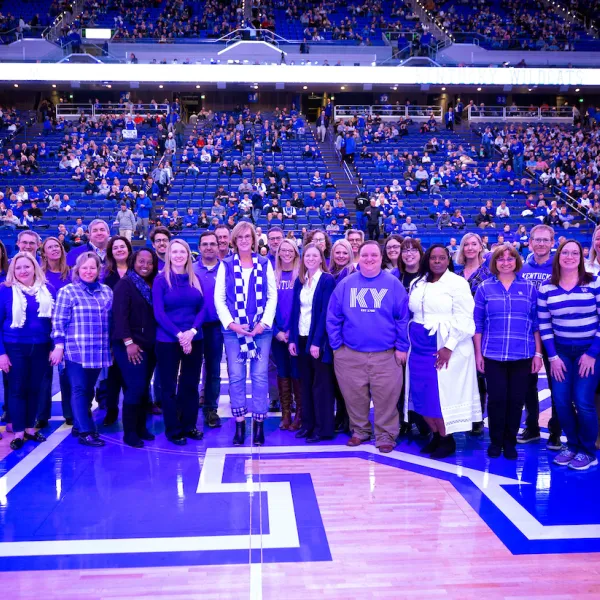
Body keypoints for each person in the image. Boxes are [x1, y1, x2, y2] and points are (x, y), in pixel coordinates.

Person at [327, 241, 409, 453]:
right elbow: (333, 316)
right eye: (365, 255)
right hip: (350, 354)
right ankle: (360, 431)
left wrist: (401, 347)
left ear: (381, 258)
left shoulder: (392, 284)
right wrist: (337, 347)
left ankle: (386, 434)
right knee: (354, 397)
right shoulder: (346, 284)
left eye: (374, 255)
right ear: (358, 256)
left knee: (387, 398)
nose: (369, 259)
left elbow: (402, 318)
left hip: (386, 355)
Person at [407, 245, 481, 459]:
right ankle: (436, 435)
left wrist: (449, 346)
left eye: (442, 258)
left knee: (440, 396)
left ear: (448, 260)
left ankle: (446, 439)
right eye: (433, 258)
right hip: (419, 347)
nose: (437, 261)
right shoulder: (417, 283)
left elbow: (466, 318)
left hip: (443, 345)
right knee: (421, 394)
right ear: (427, 260)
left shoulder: (457, 283)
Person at [474, 245, 542, 459]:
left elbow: (536, 325)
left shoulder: (530, 288)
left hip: (522, 355)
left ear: (516, 261)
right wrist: (478, 354)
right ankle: (495, 441)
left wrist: (538, 354)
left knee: (516, 400)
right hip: (493, 355)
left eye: (510, 258)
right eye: (500, 259)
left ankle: (509, 441)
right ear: (494, 262)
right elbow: (478, 324)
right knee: (496, 400)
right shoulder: (484, 288)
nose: (505, 262)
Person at [538, 240, 600, 471]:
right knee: (562, 401)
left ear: (581, 258)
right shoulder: (546, 288)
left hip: (590, 352)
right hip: (561, 352)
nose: (570, 256)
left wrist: (593, 353)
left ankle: (587, 451)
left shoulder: (594, 283)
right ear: (559, 256)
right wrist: (552, 357)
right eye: (566, 252)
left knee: (583, 401)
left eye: (575, 253)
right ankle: (571, 445)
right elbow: (544, 325)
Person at [215, 222, 277, 446]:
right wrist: (232, 324)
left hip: (261, 331)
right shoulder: (226, 265)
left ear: (253, 239)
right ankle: (240, 423)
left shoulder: (264, 263)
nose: (243, 240)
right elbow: (219, 299)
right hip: (234, 332)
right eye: (239, 237)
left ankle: (259, 424)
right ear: (234, 240)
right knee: (237, 377)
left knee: (260, 377)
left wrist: (264, 323)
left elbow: (272, 296)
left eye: (247, 236)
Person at [51, 252, 113, 447]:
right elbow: (59, 322)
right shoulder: (68, 292)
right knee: (78, 389)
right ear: (78, 270)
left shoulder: (107, 292)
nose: (88, 271)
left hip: (98, 350)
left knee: (88, 390)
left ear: (98, 270)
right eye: (84, 268)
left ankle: (79, 424)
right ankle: (86, 431)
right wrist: (59, 346)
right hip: (75, 349)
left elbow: (110, 321)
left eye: (92, 268)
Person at [153, 239, 205, 445]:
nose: (178, 255)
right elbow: (159, 312)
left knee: (190, 384)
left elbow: (202, 308)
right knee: (169, 386)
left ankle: (189, 425)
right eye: (174, 251)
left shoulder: (195, 278)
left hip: (194, 338)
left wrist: (191, 332)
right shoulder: (160, 280)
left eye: (182, 251)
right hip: (168, 340)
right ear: (168, 255)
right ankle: (173, 429)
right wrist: (179, 335)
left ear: (188, 254)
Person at [0, 253, 54, 450]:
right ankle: (19, 431)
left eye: (27, 267)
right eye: (18, 267)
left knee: (34, 388)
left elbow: (54, 322)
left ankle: (31, 428)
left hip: (41, 346)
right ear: (13, 270)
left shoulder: (48, 289)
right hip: (14, 347)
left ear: (34, 268)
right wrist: (1, 353)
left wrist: (55, 346)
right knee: (17, 389)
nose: (23, 271)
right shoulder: (5, 290)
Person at [520, 224, 562, 449]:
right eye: (537, 240)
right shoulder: (522, 268)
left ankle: (556, 430)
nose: (541, 244)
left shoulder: (559, 267)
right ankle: (532, 427)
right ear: (530, 242)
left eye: (546, 240)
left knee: (557, 383)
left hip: (554, 333)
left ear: (552, 243)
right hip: (528, 333)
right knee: (528, 383)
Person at [289, 243, 336, 443]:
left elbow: (326, 312)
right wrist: (292, 339)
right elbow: (295, 311)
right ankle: (308, 425)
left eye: (314, 255)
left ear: (321, 258)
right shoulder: (300, 281)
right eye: (307, 255)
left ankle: (322, 428)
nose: (310, 259)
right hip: (300, 337)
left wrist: (316, 342)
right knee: (305, 384)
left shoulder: (327, 280)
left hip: (318, 341)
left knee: (321, 386)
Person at [112, 248, 158, 447]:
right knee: (135, 387)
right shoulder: (125, 283)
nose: (145, 266)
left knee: (143, 388)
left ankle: (141, 427)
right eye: (141, 261)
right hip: (129, 345)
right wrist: (129, 343)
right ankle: (129, 432)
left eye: (149, 262)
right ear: (133, 261)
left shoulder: (153, 283)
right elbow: (119, 316)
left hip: (148, 344)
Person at [455, 232, 492, 435]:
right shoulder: (456, 275)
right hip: (460, 330)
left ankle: (478, 417)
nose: (470, 247)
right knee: (463, 374)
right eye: (466, 244)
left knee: (480, 375)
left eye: (473, 244)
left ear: (480, 246)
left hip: (482, 329)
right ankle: (462, 415)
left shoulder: (489, 273)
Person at [39, 237, 73, 428]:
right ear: (43, 252)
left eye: (57, 246)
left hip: (67, 330)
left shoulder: (71, 273)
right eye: (49, 247)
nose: (54, 249)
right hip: (44, 330)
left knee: (66, 373)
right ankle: (41, 415)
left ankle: (70, 413)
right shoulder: (39, 275)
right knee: (43, 374)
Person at [194, 232, 223, 428]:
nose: (209, 247)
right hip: (194, 326)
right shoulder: (191, 269)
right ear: (199, 247)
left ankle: (211, 408)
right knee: (191, 369)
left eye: (213, 244)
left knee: (213, 370)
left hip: (216, 326)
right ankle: (187, 406)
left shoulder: (226, 269)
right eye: (205, 244)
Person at [272, 238, 301, 430]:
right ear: (278, 252)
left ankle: (299, 413)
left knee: (297, 373)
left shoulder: (301, 276)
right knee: (282, 372)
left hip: (296, 334)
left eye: (291, 250)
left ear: (296, 253)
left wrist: (293, 331)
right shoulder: (272, 276)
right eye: (284, 250)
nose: (287, 253)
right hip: (277, 335)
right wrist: (277, 332)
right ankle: (285, 413)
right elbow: (266, 307)